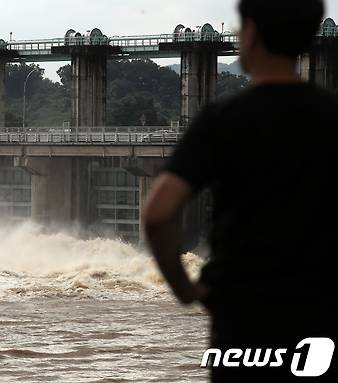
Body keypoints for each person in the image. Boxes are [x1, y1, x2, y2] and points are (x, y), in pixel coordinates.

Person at [143, 0, 337, 381]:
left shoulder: (222, 120)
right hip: (323, 319)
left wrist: (185, 290)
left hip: (244, 322)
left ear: (250, 32)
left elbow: (158, 213)